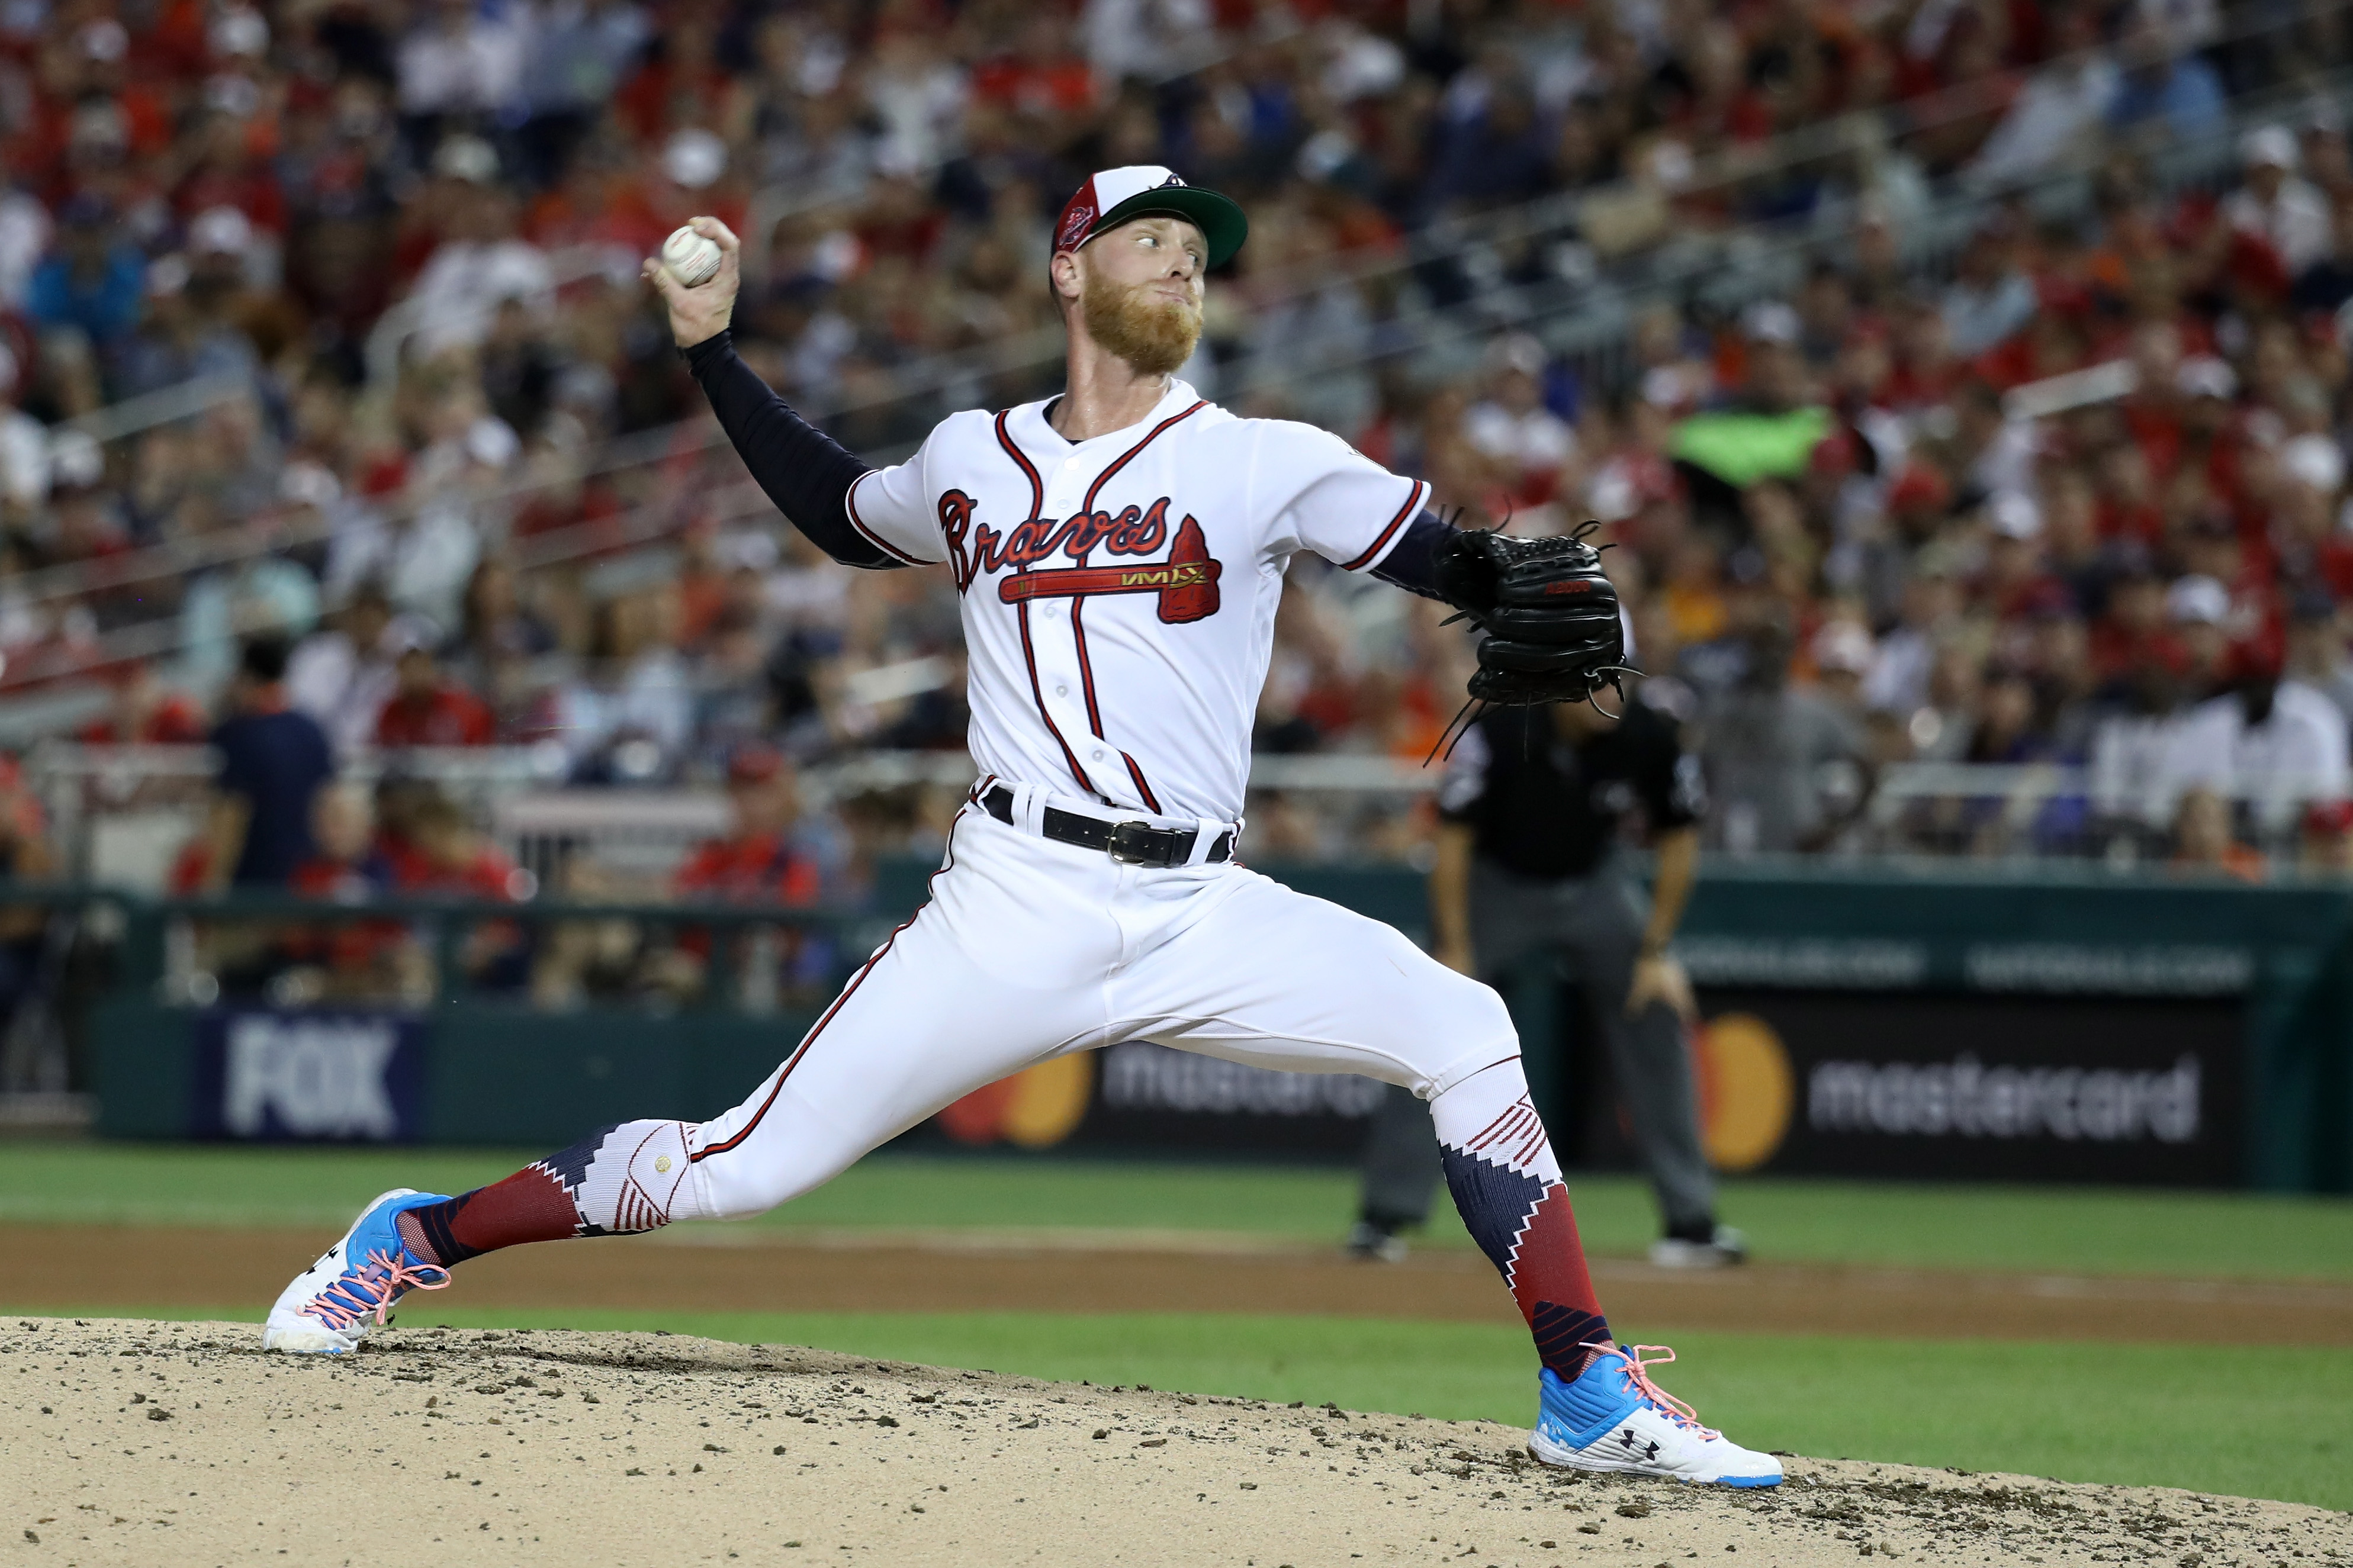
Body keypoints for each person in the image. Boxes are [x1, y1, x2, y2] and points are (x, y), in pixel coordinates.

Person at [261, 171, 1783, 1487]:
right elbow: (837, 508)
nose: (1183, 261)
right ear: (1069, 268)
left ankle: (1582, 1389)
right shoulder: (973, 457)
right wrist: (714, 356)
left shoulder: (1264, 460)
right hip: (1010, 896)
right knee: (734, 1166)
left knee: (1463, 1028)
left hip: (1200, 905)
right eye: (1149, 238)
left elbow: (1446, 555)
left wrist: (1519, 579)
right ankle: (416, 1233)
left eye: (1198, 248)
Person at [1347, 691, 1740, 1269]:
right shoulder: (1503, 727)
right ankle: (1383, 1213)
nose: (1607, 693)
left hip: (1595, 883)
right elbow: (1452, 839)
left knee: (1656, 1007)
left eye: (1616, 676)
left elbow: (1679, 839)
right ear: (1562, 679)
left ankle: (1690, 1219)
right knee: (1431, 1018)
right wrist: (1454, 946)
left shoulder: (1649, 734)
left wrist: (1655, 951)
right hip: (1496, 883)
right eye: (1594, 678)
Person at [201, 636, 337, 890]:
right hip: (306, 881)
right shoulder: (312, 730)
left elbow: (232, 813)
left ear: (246, 678)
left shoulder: (238, 735)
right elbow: (328, 802)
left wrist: (213, 886)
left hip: (253, 882)